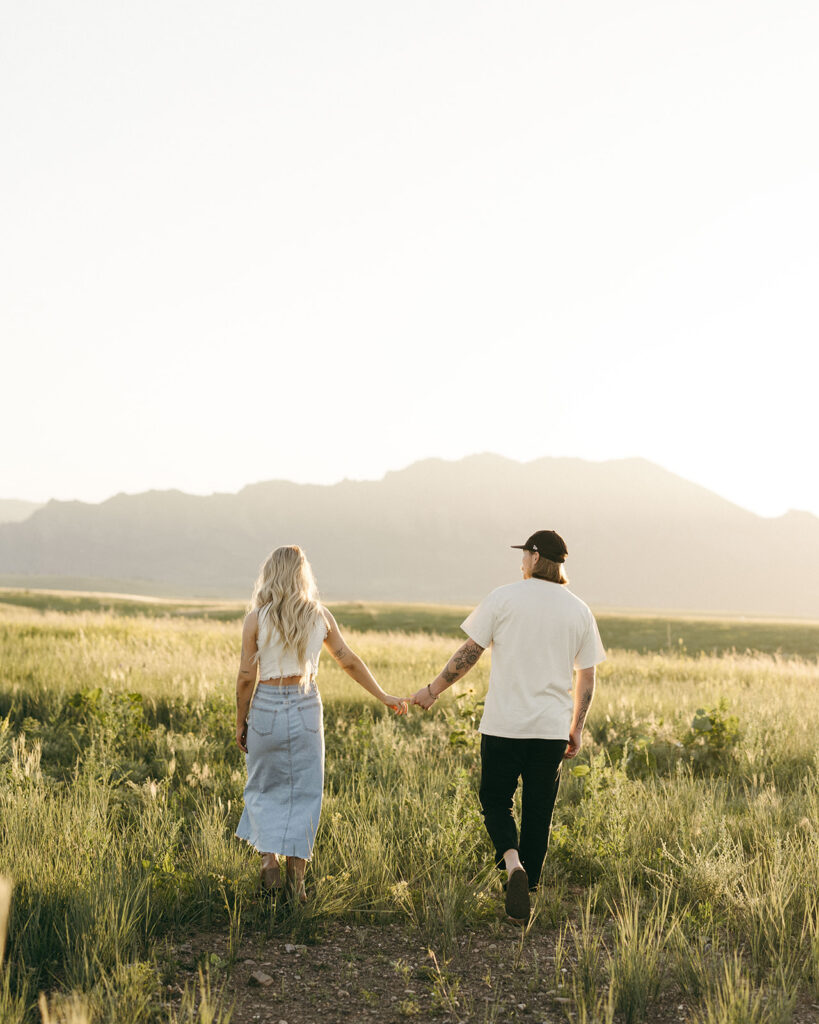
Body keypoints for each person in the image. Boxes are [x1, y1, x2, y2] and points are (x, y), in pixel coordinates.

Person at [410, 529, 605, 924]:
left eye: (523, 555)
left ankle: (512, 864)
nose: (520, 562)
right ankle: (526, 892)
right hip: (550, 730)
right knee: (539, 811)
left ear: (534, 557)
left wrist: (434, 690)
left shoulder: (503, 598)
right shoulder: (579, 610)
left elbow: (469, 653)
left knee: (496, 801)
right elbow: (587, 676)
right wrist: (577, 727)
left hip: (503, 725)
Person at [235, 545, 408, 900]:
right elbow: (349, 661)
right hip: (305, 707)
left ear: (270, 574)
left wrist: (241, 721)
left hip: (265, 707)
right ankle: (297, 884)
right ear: (303, 576)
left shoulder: (256, 618)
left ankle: (269, 863)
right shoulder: (320, 616)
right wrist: (384, 696)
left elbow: (244, 678)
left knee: (262, 788)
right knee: (306, 794)